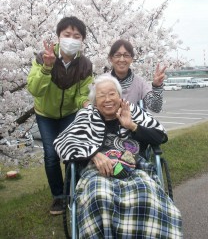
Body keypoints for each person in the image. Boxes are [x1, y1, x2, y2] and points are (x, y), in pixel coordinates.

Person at [54, 74, 183, 238]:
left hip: (135, 169)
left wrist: (131, 125)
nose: (107, 99)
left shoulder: (132, 110)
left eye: (112, 94)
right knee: (99, 196)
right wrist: (93, 154)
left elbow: (160, 136)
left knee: (146, 194)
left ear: (119, 95)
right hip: (97, 172)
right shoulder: (86, 115)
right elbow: (62, 142)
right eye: (101, 95)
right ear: (95, 100)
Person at [27, 16, 93, 215]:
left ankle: (73, 192)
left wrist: (86, 103)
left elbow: (83, 93)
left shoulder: (85, 65)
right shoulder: (43, 57)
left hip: (69, 114)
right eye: (67, 34)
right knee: (51, 155)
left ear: (82, 40)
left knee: (72, 153)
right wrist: (47, 67)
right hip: (45, 114)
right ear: (58, 37)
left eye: (77, 36)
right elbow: (34, 90)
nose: (71, 39)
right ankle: (58, 197)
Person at [108, 39, 166, 112]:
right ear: (111, 58)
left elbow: (155, 108)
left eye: (126, 55)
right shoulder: (102, 82)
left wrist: (157, 86)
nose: (122, 59)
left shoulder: (140, 83)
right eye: (117, 55)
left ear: (132, 59)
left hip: (134, 123)